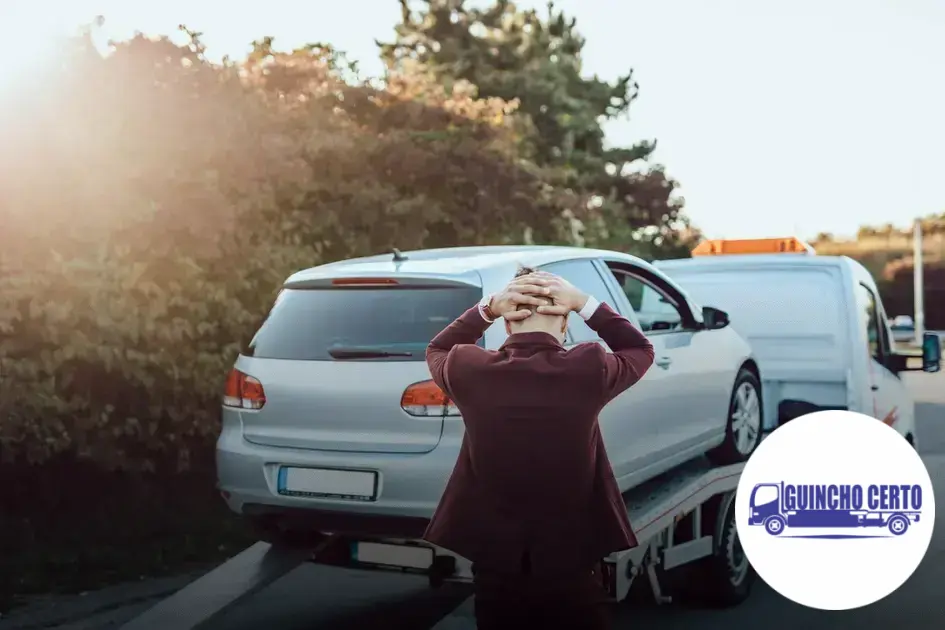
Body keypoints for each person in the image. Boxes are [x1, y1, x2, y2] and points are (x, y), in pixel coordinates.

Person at [424, 266, 656, 629]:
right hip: (572, 558)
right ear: (564, 324)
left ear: (507, 323)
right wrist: (584, 303)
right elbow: (639, 347)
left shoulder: (467, 367)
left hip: (496, 560)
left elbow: (436, 347)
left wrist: (486, 308)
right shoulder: (589, 367)